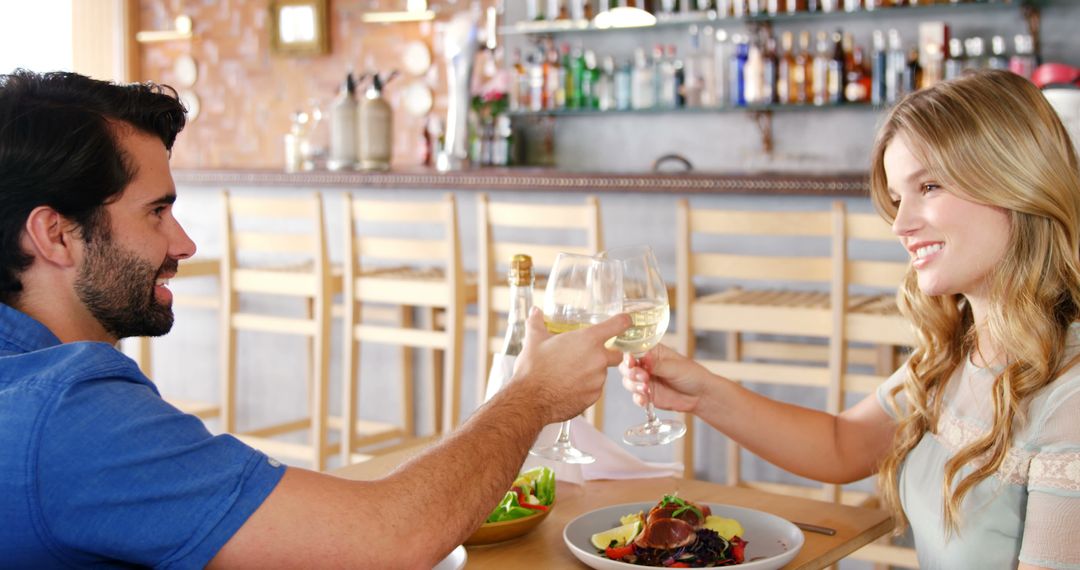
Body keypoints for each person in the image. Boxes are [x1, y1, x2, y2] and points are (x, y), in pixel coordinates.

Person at [0, 69, 631, 568]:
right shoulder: (70, 415)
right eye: (156, 212)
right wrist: (535, 393)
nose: (184, 243)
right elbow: (390, 539)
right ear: (56, 234)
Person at [621, 69, 1080, 569]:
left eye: (929, 185)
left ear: (1018, 179)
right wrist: (703, 393)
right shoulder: (964, 349)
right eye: (899, 198)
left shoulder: (1069, 399)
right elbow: (842, 445)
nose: (901, 225)